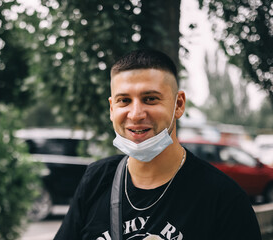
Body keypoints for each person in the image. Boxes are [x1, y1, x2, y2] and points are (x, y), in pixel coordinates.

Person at [54, 49, 262, 240]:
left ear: (178, 104)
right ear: (111, 109)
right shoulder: (96, 180)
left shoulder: (224, 198)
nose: (135, 114)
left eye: (150, 99)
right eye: (124, 100)